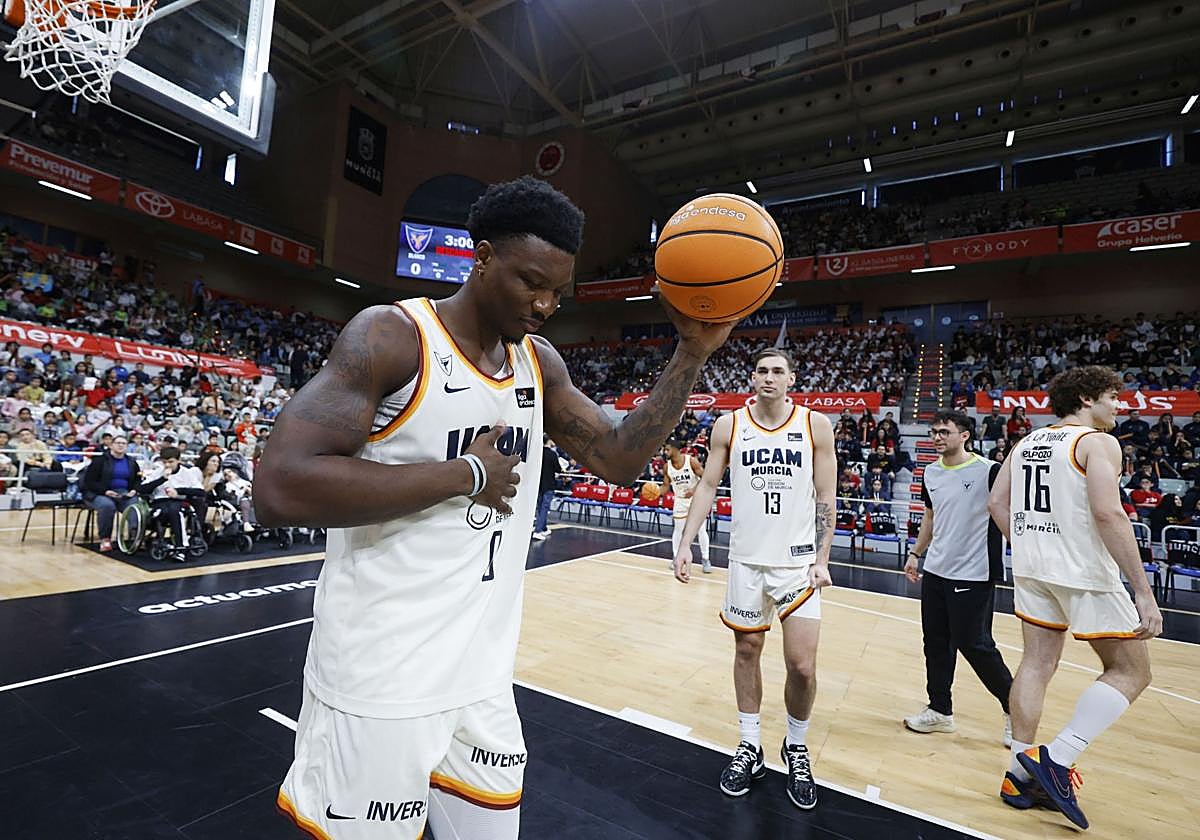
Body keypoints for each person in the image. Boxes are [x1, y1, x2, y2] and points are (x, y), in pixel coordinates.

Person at [252, 176, 734, 840]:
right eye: (531, 283)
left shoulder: (539, 363)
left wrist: (692, 352)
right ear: (481, 258)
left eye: (558, 292)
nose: (545, 305)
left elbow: (620, 459)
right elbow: (279, 486)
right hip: (379, 677)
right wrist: (465, 474)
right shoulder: (392, 336)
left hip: (481, 677)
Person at [988, 366, 1162, 830]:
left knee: (1036, 663)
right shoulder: (1096, 443)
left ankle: (1017, 774)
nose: (1119, 406)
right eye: (1113, 396)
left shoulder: (1026, 442)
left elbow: (996, 503)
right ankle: (1058, 758)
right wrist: (1143, 591)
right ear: (1087, 398)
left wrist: (1027, 546)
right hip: (1083, 571)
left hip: (1032, 568)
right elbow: (1109, 513)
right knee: (1132, 671)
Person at [671, 347, 836, 811]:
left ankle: (796, 746)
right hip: (746, 561)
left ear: (791, 379)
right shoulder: (729, 425)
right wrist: (685, 543)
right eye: (762, 370)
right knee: (747, 650)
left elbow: (826, 494)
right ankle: (749, 744)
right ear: (752, 378)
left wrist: (822, 557)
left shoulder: (815, 425)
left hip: (797, 564)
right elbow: (707, 485)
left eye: (778, 371)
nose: (769, 377)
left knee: (802, 666)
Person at [903, 411, 1013, 745]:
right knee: (935, 643)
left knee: (975, 645)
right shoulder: (931, 472)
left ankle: (1016, 710)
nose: (937, 437)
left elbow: (1008, 512)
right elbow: (930, 517)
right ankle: (940, 710)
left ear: (965, 435)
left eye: (944, 432)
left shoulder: (989, 471)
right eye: (934, 432)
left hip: (974, 573)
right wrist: (916, 553)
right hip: (936, 570)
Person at [141, 446, 206, 561]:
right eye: (164, 462)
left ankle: (181, 546)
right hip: (160, 503)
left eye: (171, 462)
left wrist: (178, 491)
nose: (167, 465)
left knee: (176, 509)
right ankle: (179, 545)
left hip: (179, 502)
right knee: (170, 510)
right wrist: (162, 479)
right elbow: (142, 489)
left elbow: (200, 491)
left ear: (178, 460)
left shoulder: (187, 473)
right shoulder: (157, 473)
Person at [80, 435, 142, 552]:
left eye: (123, 443)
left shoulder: (132, 462)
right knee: (107, 506)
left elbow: (137, 480)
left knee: (135, 506)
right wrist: (105, 491)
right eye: (118, 443)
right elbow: (89, 481)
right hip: (100, 493)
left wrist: (134, 490)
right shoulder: (99, 460)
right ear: (111, 445)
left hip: (123, 493)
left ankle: (134, 537)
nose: (121, 445)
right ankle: (105, 539)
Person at [662, 437, 710, 573]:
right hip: (680, 500)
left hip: (697, 499)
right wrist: (654, 492)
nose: (665, 452)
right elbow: (665, 486)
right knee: (678, 530)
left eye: (667, 449)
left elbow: (706, 478)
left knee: (701, 530)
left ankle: (705, 559)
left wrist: (693, 490)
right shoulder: (667, 467)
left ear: (675, 449)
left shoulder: (691, 461)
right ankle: (676, 558)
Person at [531, 435, 558, 540]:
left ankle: (543, 528)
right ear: (549, 441)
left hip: (539, 484)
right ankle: (537, 531)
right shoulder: (552, 454)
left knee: (540, 507)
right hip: (549, 484)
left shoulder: (538, 453)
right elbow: (558, 468)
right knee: (544, 508)